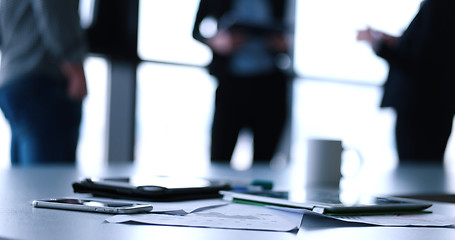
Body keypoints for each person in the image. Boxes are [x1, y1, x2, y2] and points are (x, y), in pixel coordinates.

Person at [193, 0, 292, 163]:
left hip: (269, 86)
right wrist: (218, 42)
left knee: (264, 160)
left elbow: (283, 33)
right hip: (232, 84)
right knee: (220, 156)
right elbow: (197, 31)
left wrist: (281, 43)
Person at [357, 0, 455, 163]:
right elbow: (428, 49)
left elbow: (422, 63)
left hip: (421, 112)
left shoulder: (439, 6)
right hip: (431, 110)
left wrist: (378, 45)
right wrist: (399, 41)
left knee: (416, 174)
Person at [0, 0, 88, 166]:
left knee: (26, 183)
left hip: (13, 80)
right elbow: (53, 7)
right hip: (41, 78)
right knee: (49, 185)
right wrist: (74, 66)